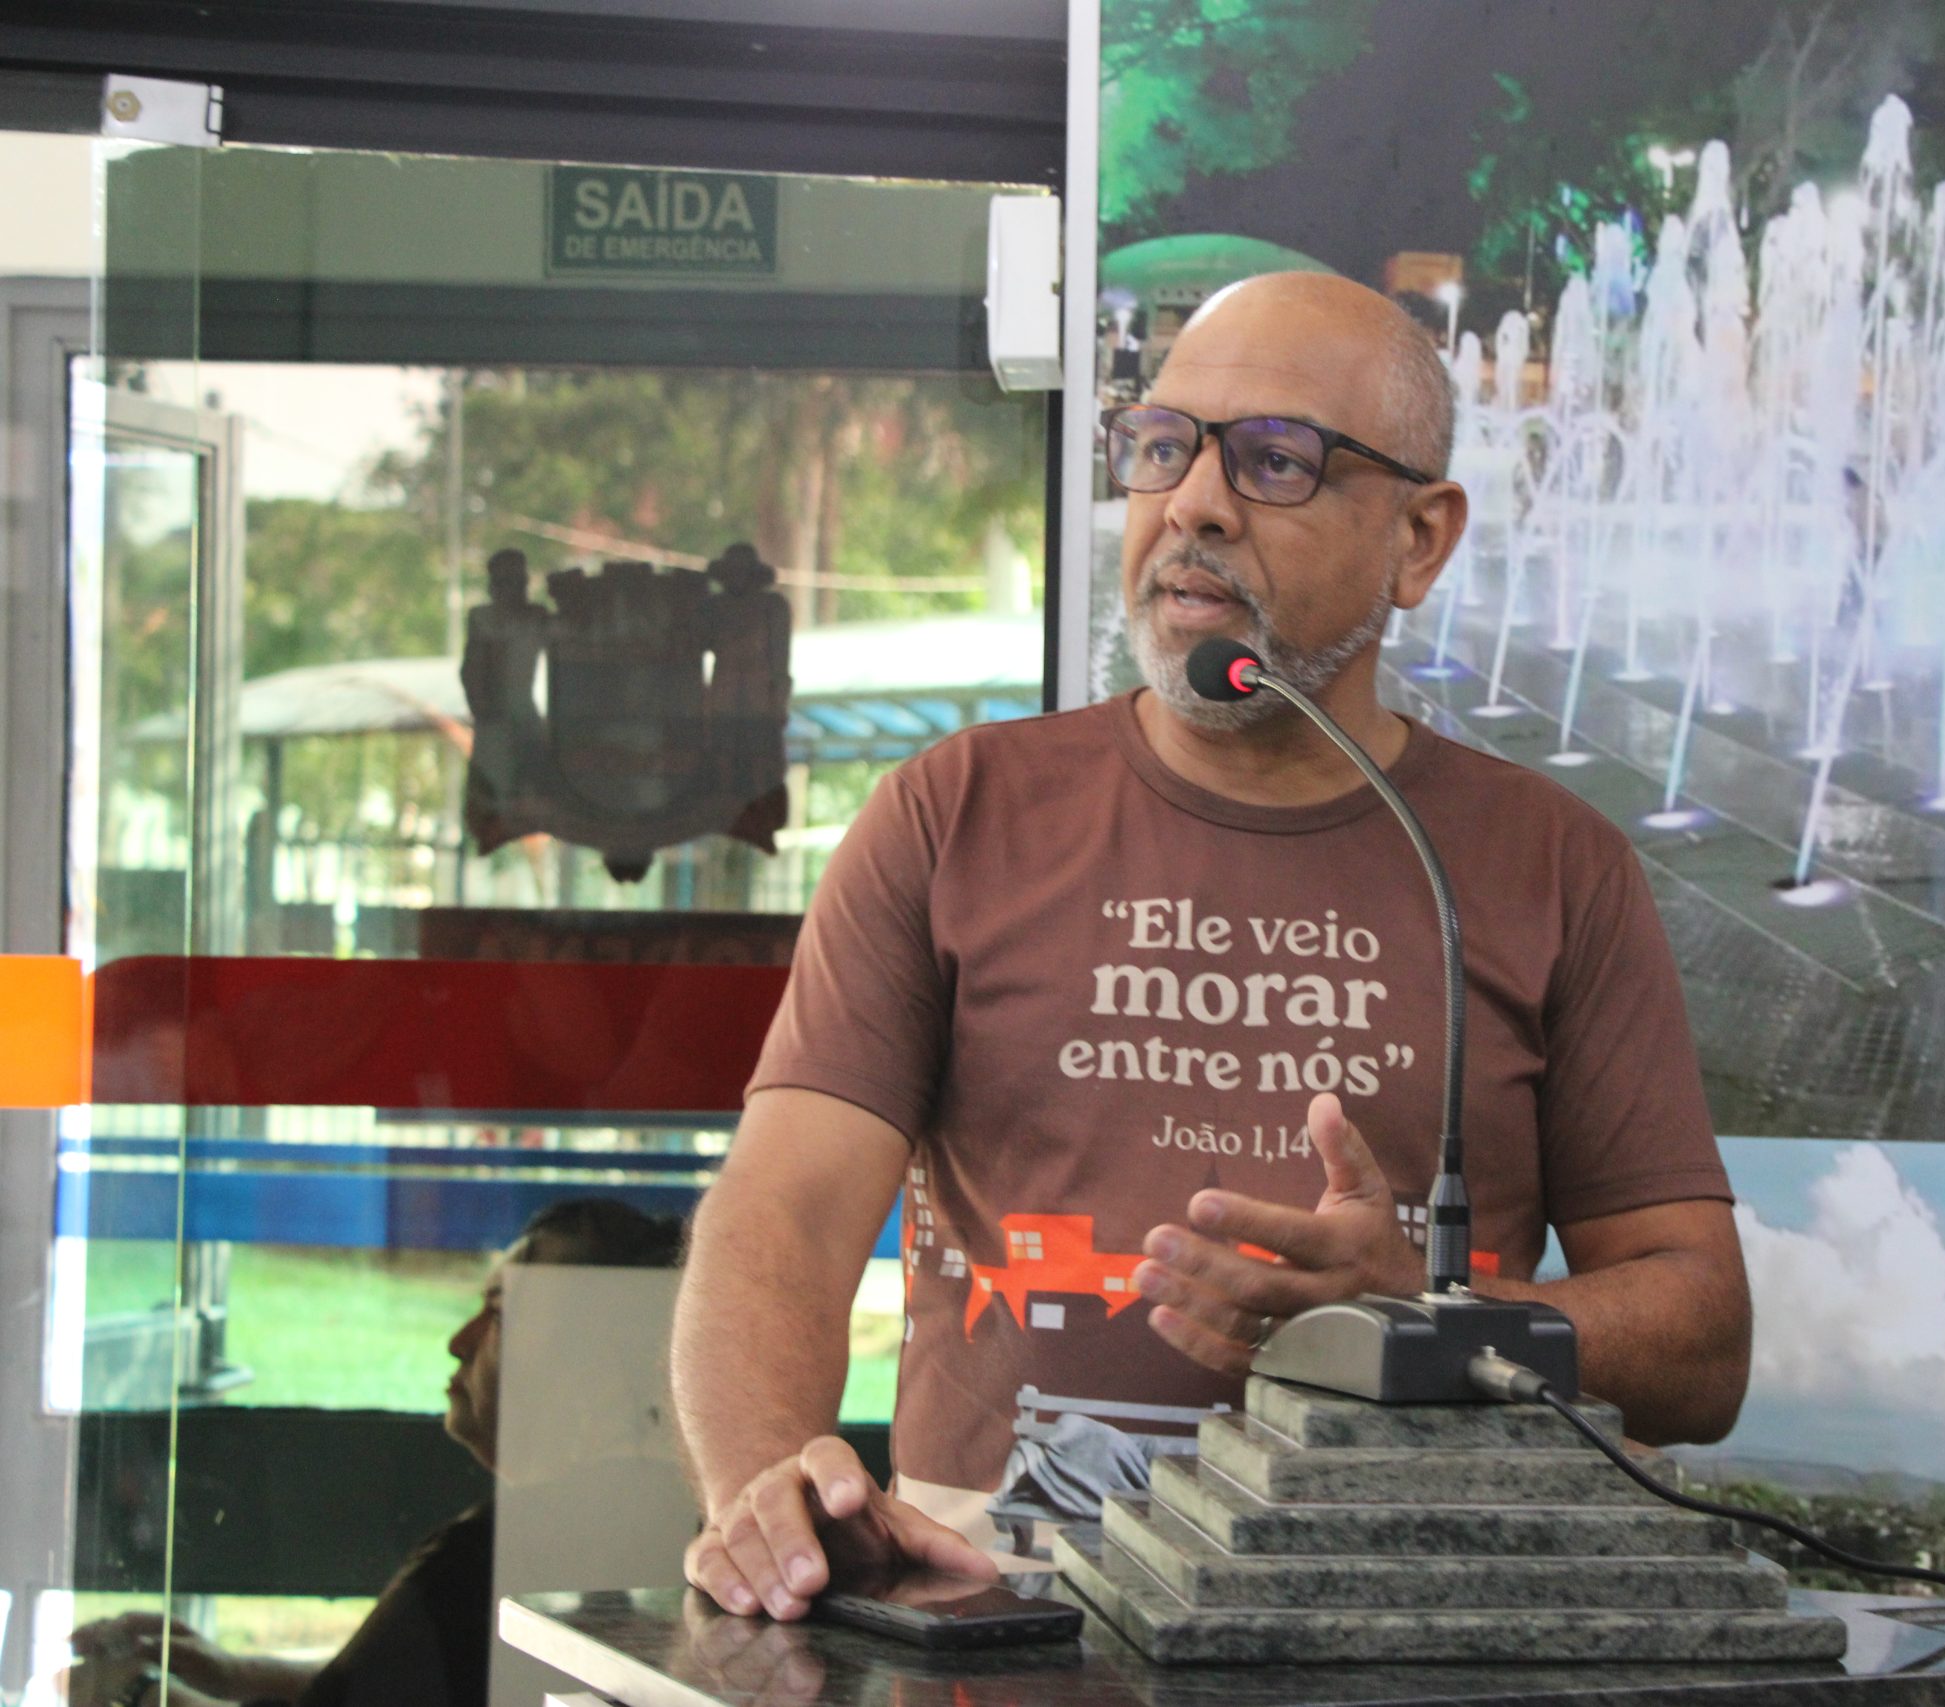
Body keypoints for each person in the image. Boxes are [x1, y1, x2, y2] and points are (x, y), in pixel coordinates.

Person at [671, 271, 1751, 1623]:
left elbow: (1703, 1340)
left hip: (1403, 1629)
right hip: (1002, 1620)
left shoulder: (1550, 862)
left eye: (1275, 461)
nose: (1192, 504)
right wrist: (765, 1485)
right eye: (1163, 445)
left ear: (1419, 538)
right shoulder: (955, 813)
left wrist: (1431, 1317)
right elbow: (782, 1211)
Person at [68, 1200, 685, 1707]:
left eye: (501, 1316)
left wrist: (133, 1694)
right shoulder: (666, 1523)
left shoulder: (491, 1558)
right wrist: (238, 1675)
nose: (459, 1341)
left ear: (593, 1369)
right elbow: (423, 1690)